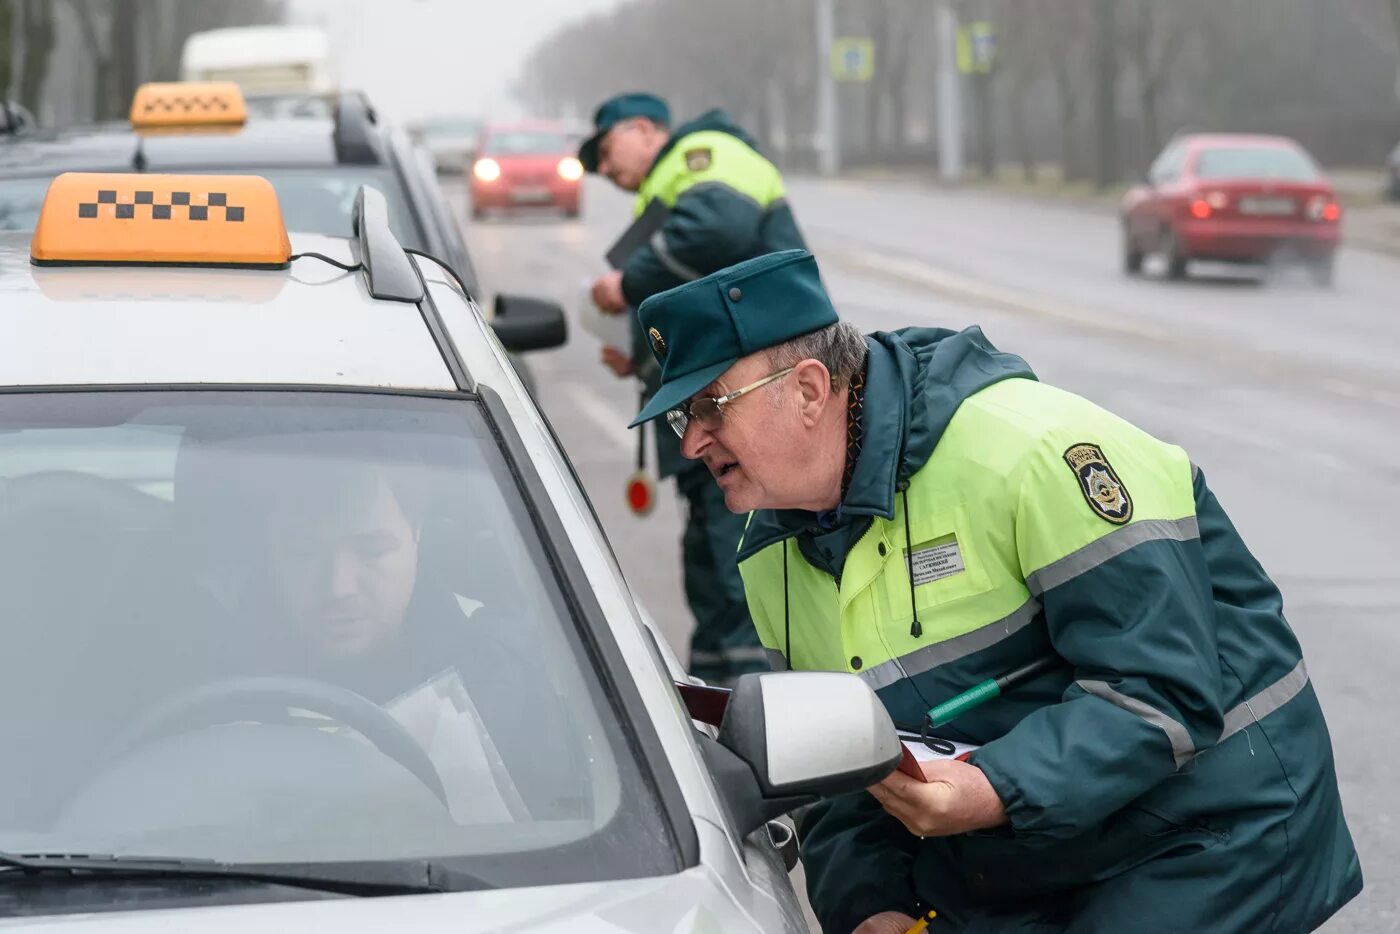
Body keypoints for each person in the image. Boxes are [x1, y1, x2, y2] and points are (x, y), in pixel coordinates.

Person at [627, 249, 1362, 933]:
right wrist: (870, 904)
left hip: (1210, 825)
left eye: (710, 407)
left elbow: (1161, 693)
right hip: (1025, 844)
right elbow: (846, 763)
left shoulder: (1031, 452)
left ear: (810, 390)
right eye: (680, 416)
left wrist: (991, 791)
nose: (691, 442)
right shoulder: (771, 554)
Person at [577, 91, 807, 684]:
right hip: (721, 400)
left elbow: (717, 227)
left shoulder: (703, 152)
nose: (605, 169)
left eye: (607, 148)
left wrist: (628, 282)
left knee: (742, 570)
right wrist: (644, 360)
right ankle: (723, 710)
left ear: (647, 128)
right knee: (711, 568)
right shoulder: (668, 183)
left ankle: (763, 722)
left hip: (750, 399)